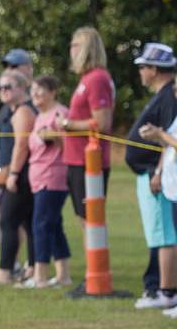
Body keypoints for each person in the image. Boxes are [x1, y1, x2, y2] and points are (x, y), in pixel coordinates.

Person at [126, 43, 177, 309]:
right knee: (158, 234)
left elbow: (168, 138)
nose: (141, 72)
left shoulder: (169, 96)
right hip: (152, 175)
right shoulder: (163, 94)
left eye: (143, 67)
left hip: (158, 178)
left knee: (164, 235)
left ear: (155, 69)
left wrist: (156, 171)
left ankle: (164, 290)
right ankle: (158, 286)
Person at [56, 26, 114, 222]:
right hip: (77, 159)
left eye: (75, 45)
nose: (71, 50)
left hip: (88, 160)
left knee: (91, 220)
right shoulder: (87, 78)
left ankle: (97, 255)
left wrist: (66, 123)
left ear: (87, 48)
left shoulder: (97, 78)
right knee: (84, 218)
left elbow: (102, 122)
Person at [23, 75, 72, 289]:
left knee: (41, 225)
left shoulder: (60, 114)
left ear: (52, 92)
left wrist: (52, 135)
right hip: (38, 177)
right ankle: (63, 275)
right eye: (32, 92)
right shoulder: (39, 116)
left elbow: (68, 143)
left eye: (40, 91)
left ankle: (40, 275)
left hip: (52, 177)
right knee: (54, 225)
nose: (35, 96)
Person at [0, 69, 37, 285]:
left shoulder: (23, 112)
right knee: (28, 223)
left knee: (8, 219)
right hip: (18, 172)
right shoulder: (11, 112)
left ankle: (5, 270)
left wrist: (13, 173)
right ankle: (33, 267)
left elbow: (22, 145)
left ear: (21, 88)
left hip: (23, 174)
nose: (3, 91)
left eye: (8, 87)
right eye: (0, 87)